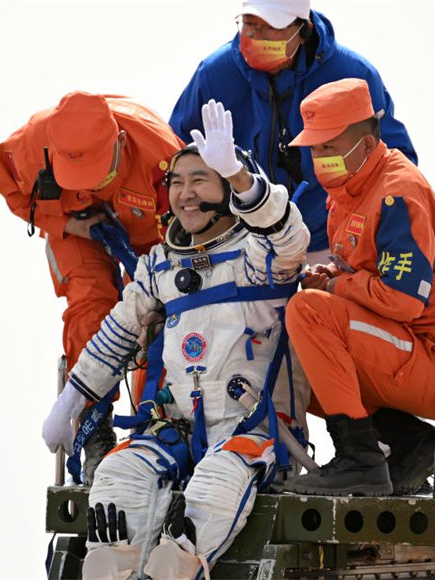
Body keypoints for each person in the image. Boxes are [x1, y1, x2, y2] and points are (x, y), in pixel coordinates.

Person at [42, 100, 311, 578]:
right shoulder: (160, 265)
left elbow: (290, 236)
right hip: (175, 429)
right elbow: (118, 332)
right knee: (115, 485)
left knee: (204, 502)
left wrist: (245, 180)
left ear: (227, 189)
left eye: (200, 180)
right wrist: (71, 401)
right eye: (176, 183)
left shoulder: (256, 256)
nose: (185, 194)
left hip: (247, 435)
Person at [281, 78, 435, 496]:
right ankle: (406, 443)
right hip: (405, 347)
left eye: (328, 146)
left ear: (365, 143)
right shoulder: (349, 191)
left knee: (308, 313)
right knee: (294, 366)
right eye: (315, 148)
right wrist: (335, 281)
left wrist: (337, 287)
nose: (319, 158)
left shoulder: (398, 192)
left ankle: (359, 462)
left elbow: (401, 299)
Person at [0, 91, 184, 484]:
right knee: (90, 311)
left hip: (153, 238)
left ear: (121, 145)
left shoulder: (161, 156)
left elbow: (187, 226)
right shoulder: (28, 145)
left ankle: (169, 426)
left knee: (172, 317)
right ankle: (95, 431)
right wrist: (66, 225)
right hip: (77, 230)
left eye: (100, 173)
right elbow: (9, 189)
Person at [170, 0, 416, 264]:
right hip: (246, 243)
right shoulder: (214, 74)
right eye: (249, 25)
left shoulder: (352, 74)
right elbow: (176, 149)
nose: (255, 36)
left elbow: (395, 161)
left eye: (269, 27)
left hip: (334, 243)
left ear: (303, 29)